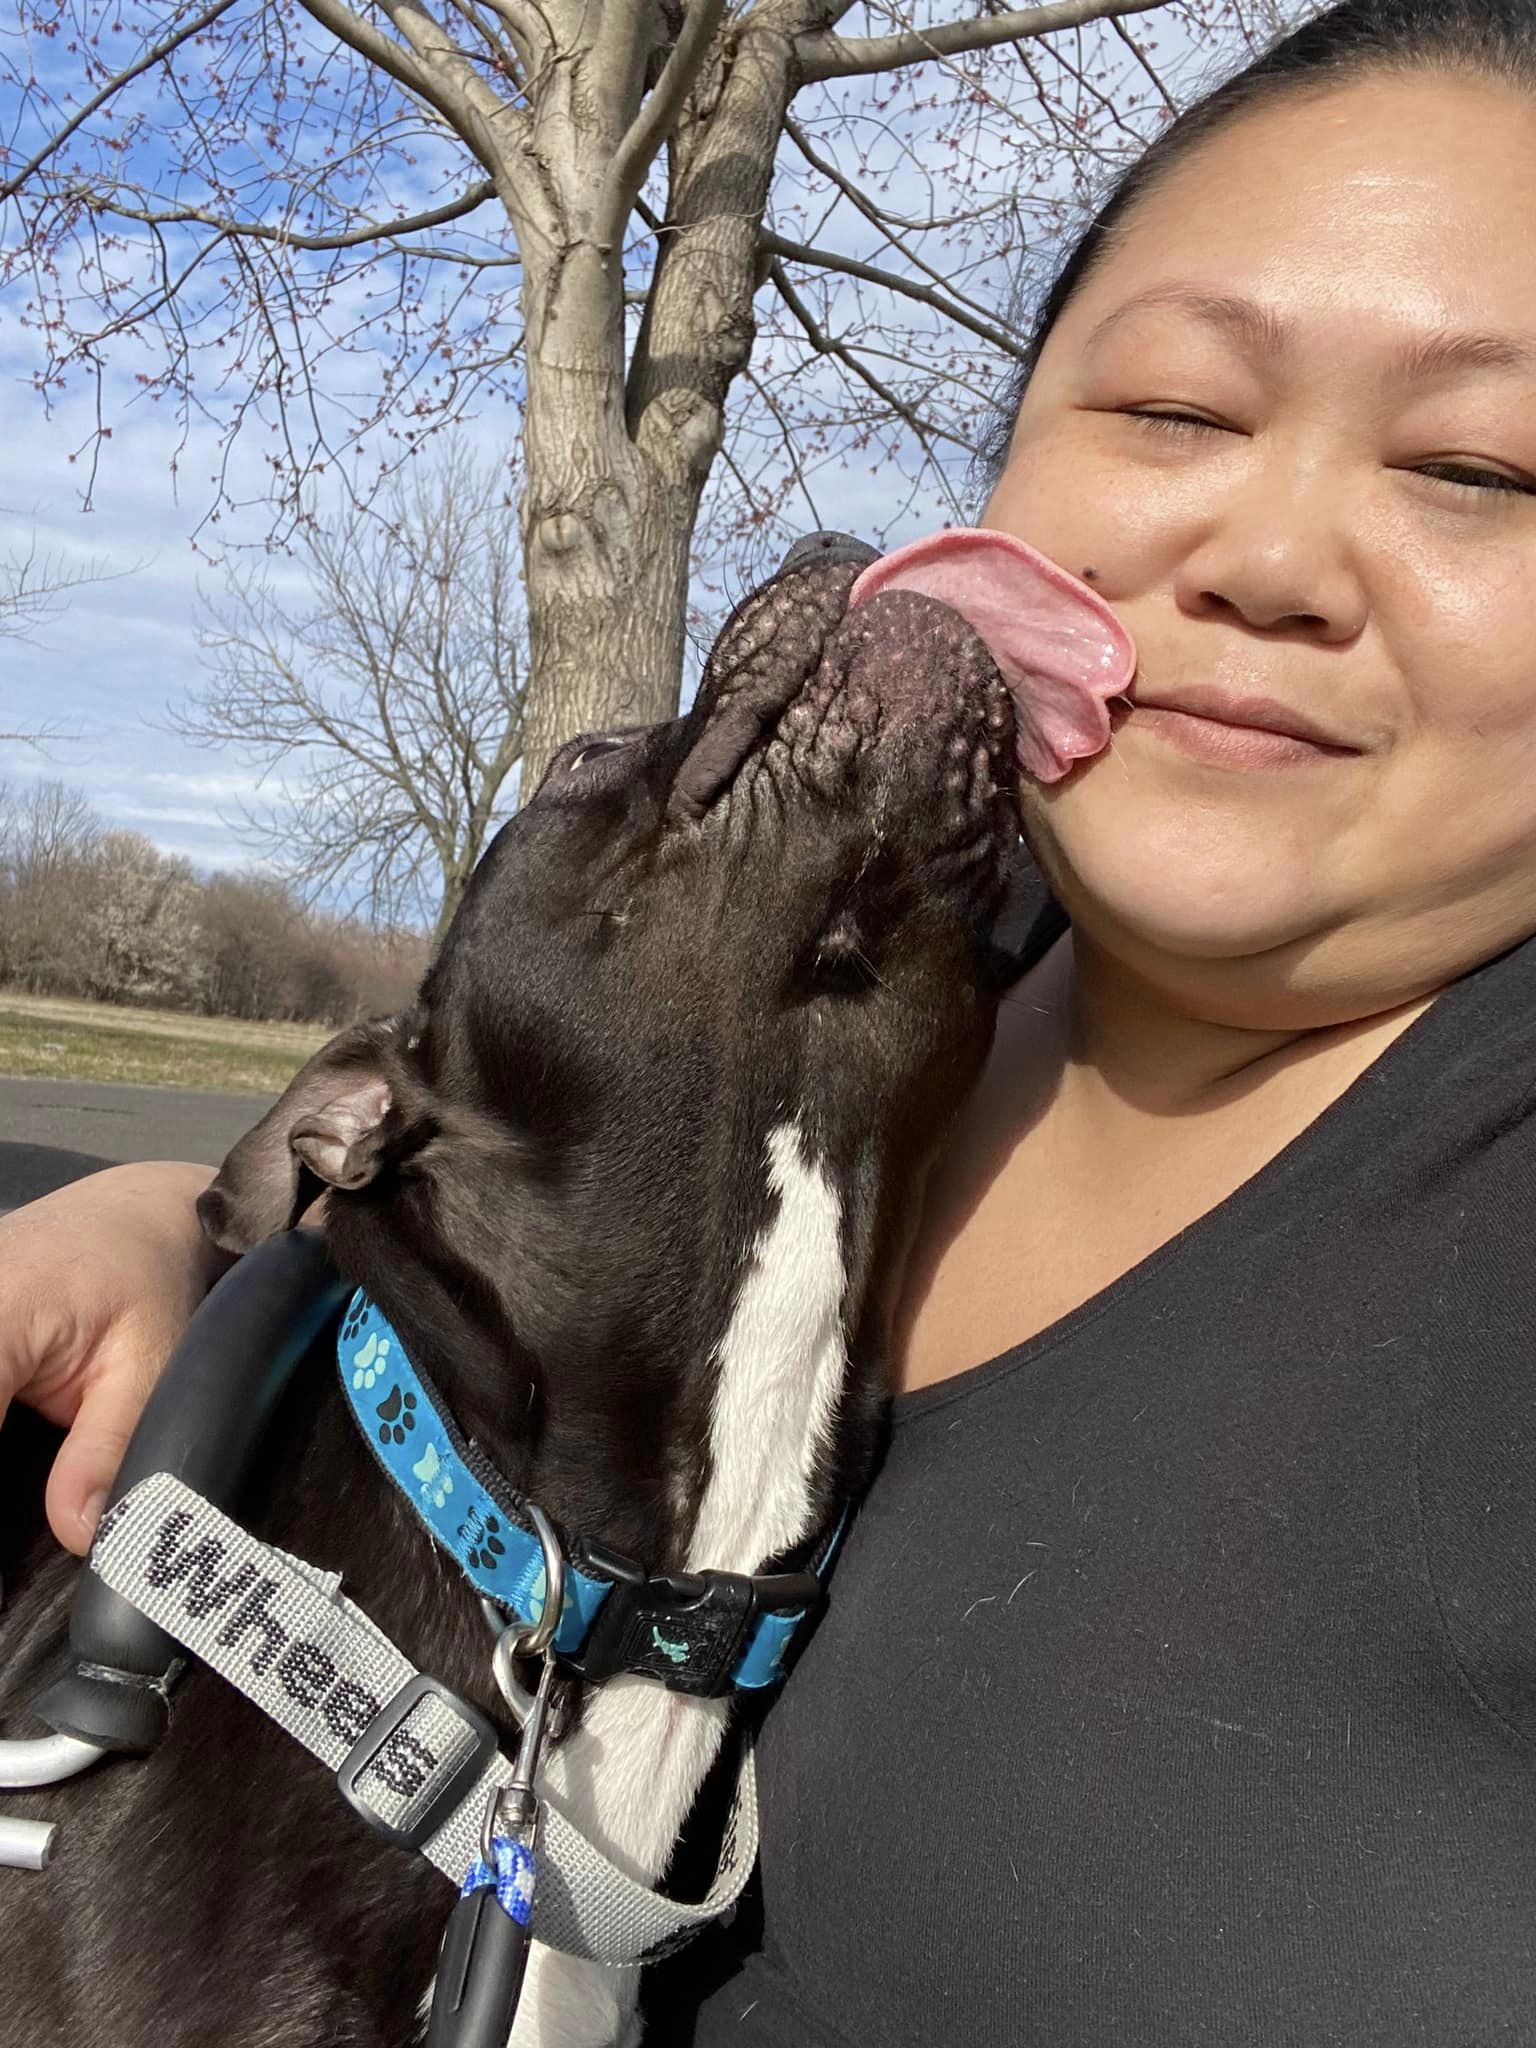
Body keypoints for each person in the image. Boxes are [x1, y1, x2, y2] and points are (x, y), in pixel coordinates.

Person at [6, 0, 1536, 2036]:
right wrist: (217, 1272)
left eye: (1477, 466)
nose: (1263, 559)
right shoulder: (876, 974)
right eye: (1175, 409)